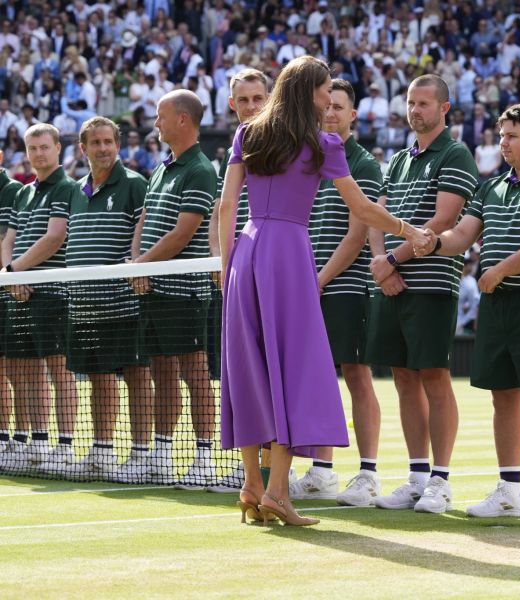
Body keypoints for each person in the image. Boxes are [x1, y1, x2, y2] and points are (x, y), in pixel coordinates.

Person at [218, 56, 430, 526]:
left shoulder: (248, 133)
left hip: (246, 253)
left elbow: (228, 205)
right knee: (295, 372)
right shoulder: (323, 143)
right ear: (309, 92)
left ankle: (252, 486)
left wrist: (226, 263)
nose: (328, 97)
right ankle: (276, 492)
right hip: (290, 254)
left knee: (248, 367)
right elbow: (361, 207)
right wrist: (407, 229)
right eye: (323, 89)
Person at [423, 103, 520, 523]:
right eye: (501, 135)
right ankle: (510, 489)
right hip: (498, 302)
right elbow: (462, 235)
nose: (502, 143)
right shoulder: (491, 187)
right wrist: (432, 242)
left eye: (510, 136)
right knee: (503, 396)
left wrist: (501, 270)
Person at [368, 74, 479, 514]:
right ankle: (416, 476)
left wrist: (390, 260)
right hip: (391, 280)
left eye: (424, 103)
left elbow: (443, 218)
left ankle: (441, 479)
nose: (415, 110)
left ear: (444, 109)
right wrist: (382, 265)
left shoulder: (455, 153)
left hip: (432, 281)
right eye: (411, 103)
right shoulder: (398, 160)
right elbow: (378, 214)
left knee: (433, 376)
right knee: (401, 377)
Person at [289, 78, 385, 507]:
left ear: (352, 114)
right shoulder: (310, 157)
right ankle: (322, 471)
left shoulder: (362, 163)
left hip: (347, 287)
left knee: (357, 377)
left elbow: (356, 235)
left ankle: (368, 474)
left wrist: (318, 279)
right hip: (312, 286)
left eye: (339, 107)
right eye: (326, 106)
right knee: (317, 380)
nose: (330, 113)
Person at [131, 90, 217, 488]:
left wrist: (142, 264)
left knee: (194, 373)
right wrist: (137, 266)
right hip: (152, 288)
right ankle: (162, 455)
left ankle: (204, 457)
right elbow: (147, 221)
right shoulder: (163, 168)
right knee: (161, 373)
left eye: (162, 116)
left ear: (183, 119)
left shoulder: (200, 168)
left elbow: (184, 233)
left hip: (185, 291)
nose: (156, 123)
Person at [66, 117, 152, 481]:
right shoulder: (76, 190)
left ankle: (143, 452)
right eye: (95, 143)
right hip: (83, 304)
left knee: (135, 375)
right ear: (82, 149)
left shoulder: (134, 184)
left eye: (108, 141)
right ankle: (102, 449)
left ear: (118, 145)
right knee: (99, 377)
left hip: (124, 302)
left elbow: (143, 234)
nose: (103, 148)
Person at [205, 68, 270, 492]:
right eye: (243, 100)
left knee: (274, 365)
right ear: (232, 105)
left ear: (270, 97)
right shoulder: (242, 140)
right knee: (251, 368)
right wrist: (225, 264)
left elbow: (227, 207)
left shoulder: (285, 138)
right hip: (250, 259)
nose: (250, 106)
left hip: (272, 260)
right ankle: (256, 480)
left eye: (257, 98)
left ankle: (277, 476)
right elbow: (224, 207)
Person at [0, 124, 78, 475]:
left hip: (52, 292)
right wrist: (10, 274)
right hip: (19, 290)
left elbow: (54, 237)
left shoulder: (66, 187)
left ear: (58, 148)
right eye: (33, 148)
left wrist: (15, 271)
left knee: (59, 372)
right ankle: (36, 440)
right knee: (26, 372)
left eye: (44, 147)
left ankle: (62, 446)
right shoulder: (24, 193)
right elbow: (9, 239)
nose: (38, 154)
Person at [0, 150, 22, 460]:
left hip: (9, 292)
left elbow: (6, 239)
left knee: (16, 369)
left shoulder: (12, 190)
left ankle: (17, 438)